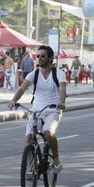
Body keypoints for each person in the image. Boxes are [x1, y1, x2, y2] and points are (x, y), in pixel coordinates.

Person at [8, 45, 67, 174]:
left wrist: (61, 102)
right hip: (36, 110)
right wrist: (14, 100)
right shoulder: (34, 74)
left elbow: (62, 88)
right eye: (38, 56)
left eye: (43, 56)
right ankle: (32, 168)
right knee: (29, 139)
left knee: (48, 133)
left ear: (50, 58)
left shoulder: (58, 73)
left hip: (53, 110)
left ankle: (56, 158)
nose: (39, 58)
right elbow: (22, 88)